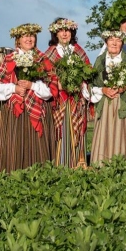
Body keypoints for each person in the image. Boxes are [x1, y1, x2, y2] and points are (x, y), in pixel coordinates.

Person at [0, 23, 59, 172]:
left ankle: (40, 175)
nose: (29, 39)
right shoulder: (9, 59)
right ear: (18, 40)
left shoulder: (43, 59)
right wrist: (14, 88)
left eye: (31, 36)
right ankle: (14, 174)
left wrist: (32, 86)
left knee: (37, 145)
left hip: (38, 107)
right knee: (16, 143)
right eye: (25, 36)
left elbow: (51, 89)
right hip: (16, 110)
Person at [42, 18, 92, 169]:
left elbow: (88, 72)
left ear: (72, 32)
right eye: (61, 31)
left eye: (67, 30)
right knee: (61, 130)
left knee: (78, 130)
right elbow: (45, 75)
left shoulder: (78, 51)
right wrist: (57, 83)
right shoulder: (49, 53)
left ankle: (79, 162)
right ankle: (61, 163)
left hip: (76, 98)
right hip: (59, 99)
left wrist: (81, 83)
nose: (64, 34)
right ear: (55, 33)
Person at [86, 30, 126, 164]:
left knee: (125, 133)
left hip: (125, 103)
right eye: (111, 40)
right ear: (106, 42)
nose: (114, 43)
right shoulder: (100, 60)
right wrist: (103, 90)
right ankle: (103, 163)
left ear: (122, 43)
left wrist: (125, 87)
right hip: (106, 104)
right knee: (107, 133)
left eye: (118, 40)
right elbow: (91, 84)